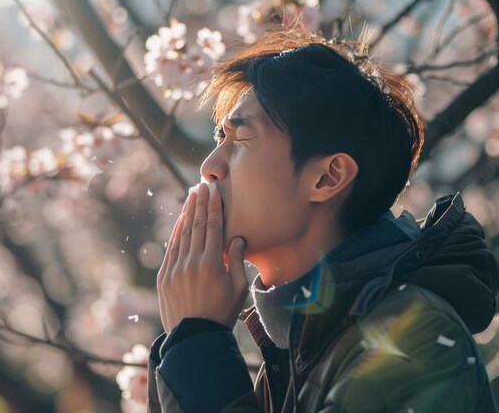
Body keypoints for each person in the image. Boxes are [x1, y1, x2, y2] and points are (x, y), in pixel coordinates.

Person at [147, 24, 499, 413]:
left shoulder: (411, 341)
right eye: (220, 139)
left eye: (242, 139)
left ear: (327, 178)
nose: (210, 167)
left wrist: (197, 346)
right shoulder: (293, 354)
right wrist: (187, 343)